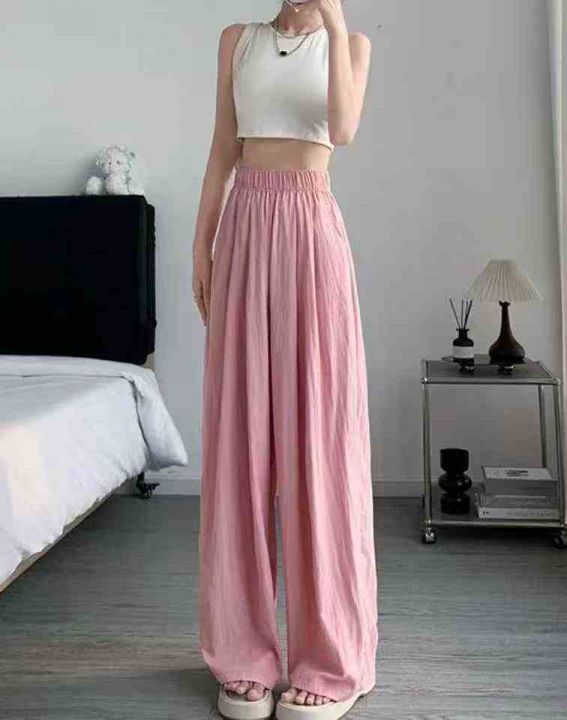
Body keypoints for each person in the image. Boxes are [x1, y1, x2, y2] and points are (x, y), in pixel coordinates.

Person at [192, 1, 377, 718]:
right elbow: (222, 148)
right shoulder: (236, 41)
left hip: (310, 229)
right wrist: (201, 247)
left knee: (320, 445)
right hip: (243, 226)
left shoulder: (351, 45)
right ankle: (242, 654)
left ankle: (331, 658)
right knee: (239, 443)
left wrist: (332, 20)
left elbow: (344, 129)